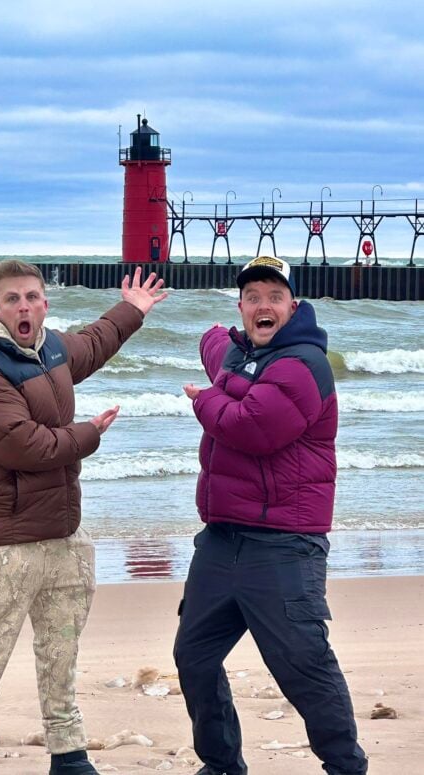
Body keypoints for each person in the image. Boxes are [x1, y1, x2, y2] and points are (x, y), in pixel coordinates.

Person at [0, 260, 167, 775]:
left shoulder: (50, 350)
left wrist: (132, 310)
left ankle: (69, 754)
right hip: (1, 542)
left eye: (33, 297)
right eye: (14, 298)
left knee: (61, 648)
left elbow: (93, 342)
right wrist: (90, 434)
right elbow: (26, 447)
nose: (25, 306)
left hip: (61, 533)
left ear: (45, 303)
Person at [174, 256, 368, 775]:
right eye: (253, 297)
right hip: (220, 541)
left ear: (293, 307)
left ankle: (346, 767)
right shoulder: (239, 353)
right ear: (242, 308)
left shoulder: (304, 365)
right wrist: (221, 353)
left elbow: (252, 429)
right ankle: (221, 765)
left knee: (303, 666)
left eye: (274, 298)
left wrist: (209, 397)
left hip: (285, 545)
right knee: (194, 658)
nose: (264, 306)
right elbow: (212, 341)